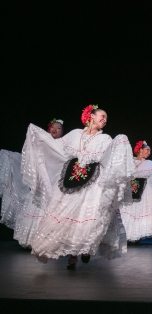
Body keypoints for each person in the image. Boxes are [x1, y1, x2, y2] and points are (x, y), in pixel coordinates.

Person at [21, 104, 135, 269]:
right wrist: (41, 138)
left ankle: (86, 248)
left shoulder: (105, 139)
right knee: (70, 216)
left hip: (93, 184)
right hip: (71, 181)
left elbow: (109, 159)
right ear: (91, 116)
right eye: (102, 116)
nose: (104, 120)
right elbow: (58, 147)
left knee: (87, 217)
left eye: (106, 119)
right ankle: (73, 255)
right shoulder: (75, 134)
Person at [0, 119, 64, 248]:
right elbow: (31, 157)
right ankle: (33, 240)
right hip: (42, 183)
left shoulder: (63, 145)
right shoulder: (43, 144)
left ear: (62, 131)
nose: (54, 130)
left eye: (58, 128)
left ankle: (50, 241)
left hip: (56, 183)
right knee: (37, 204)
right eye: (53, 127)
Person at [120, 141, 152, 243]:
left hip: (143, 193)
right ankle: (129, 235)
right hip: (129, 192)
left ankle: (137, 236)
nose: (149, 152)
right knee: (129, 212)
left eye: (150, 150)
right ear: (140, 150)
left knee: (140, 212)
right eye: (147, 150)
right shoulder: (129, 163)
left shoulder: (150, 164)